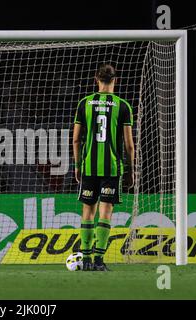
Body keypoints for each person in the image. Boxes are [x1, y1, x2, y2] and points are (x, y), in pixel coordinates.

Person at [73, 64, 135, 271]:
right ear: (115, 80)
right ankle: (99, 261)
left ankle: (86, 259)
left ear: (95, 79)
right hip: (112, 168)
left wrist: (77, 165)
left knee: (87, 212)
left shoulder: (84, 103)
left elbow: (75, 139)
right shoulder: (123, 106)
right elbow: (129, 145)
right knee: (105, 212)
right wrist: (130, 170)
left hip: (89, 167)